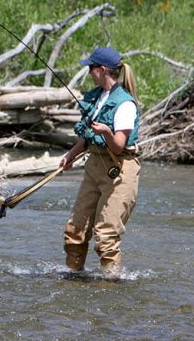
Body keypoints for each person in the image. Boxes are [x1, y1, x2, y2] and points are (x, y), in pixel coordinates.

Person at [59, 46, 141, 278]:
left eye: (91, 67)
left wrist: (106, 131)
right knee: (75, 230)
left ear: (102, 70)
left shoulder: (124, 104)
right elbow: (86, 138)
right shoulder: (96, 96)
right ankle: (72, 277)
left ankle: (111, 284)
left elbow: (117, 145)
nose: (88, 72)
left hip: (120, 171)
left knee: (106, 236)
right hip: (94, 166)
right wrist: (71, 155)